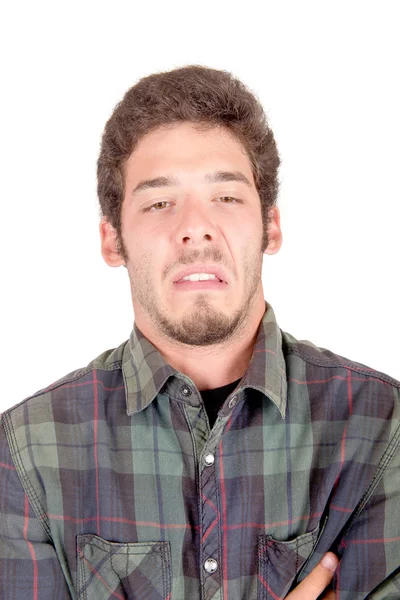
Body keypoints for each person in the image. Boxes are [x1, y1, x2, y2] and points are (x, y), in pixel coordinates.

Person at [0, 65, 398, 600]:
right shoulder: (25, 452)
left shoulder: (382, 431)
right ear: (112, 240)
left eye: (227, 197)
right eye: (159, 202)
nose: (195, 225)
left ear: (271, 226)